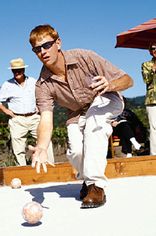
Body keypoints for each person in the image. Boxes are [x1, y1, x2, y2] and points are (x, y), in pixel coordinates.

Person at [28, 24, 133, 208]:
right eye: (37, 49)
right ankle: (87, 180)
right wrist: (42, 147)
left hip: (106, 98)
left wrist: (109, 84)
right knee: (75, 150)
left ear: (58, 43)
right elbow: (46, 118)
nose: (42, 52)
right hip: (77, 113)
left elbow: (127, 80)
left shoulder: (85, 56)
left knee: (94, 123)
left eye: (46, 45)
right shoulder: (42, 85)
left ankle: (96, 186)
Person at [0, 58, 54, 166]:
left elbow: (43, 96)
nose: (17, 72)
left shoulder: (33, 82)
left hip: (34, 117)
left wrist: (40, 108)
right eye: (14, 70)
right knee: (18, 148)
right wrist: (6, 111)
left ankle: (50, 166)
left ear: (23, 70)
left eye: (19, 70)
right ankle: (22, 170)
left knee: (45, 142)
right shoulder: (7, 85)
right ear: (11, 71)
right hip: (17, 119)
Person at [141, 42, 156, 155]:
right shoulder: (146, 64)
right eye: (153, 48)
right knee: (154, 127)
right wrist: (153, 70)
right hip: (152, 100)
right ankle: (154, 154)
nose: (155, 50)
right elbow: (146, 80)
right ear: (150, 51)